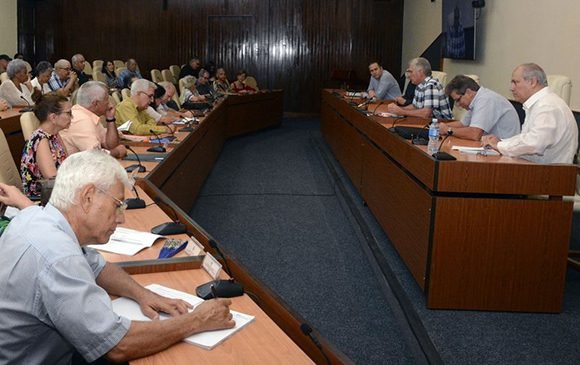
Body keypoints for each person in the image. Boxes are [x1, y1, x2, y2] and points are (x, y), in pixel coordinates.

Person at [0, 150, 235, 364]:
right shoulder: (58, 256)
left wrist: (142, 294)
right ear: (88, 196)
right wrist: (197, 321)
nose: (121, 218)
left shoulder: (37, 218)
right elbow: (117, 344)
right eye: (117, 205)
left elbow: (97, 267)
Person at [481, 63, 578, 164]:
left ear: (532, 82)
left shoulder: (547, 106)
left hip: (548, 175)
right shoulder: (539, 104)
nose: (512, 88)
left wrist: (499, 145)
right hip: (537, 171)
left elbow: (535, 143)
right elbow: (527, 138)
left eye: (516, 82)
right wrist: (501, 142)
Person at [439, 75, 520, 141]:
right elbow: (463, 124)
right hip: (494, 147)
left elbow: (475, 134)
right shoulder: (476, 100)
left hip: (505, 152)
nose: (458, 104)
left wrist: (447, 130)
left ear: (468, 92)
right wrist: (437, 127)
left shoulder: (486, 99)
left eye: (458, 100)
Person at [60, 81, 127, 158]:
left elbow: (110, 145)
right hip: (72, 168)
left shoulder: (88, 115)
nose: (109, 103)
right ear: (95, 104)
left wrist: (110, 119)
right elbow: (94, 155)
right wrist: (117, 152)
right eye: (107, 99)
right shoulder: (81, 120)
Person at [20, 94, 70, 197]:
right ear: (53, 117)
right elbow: (52, 180)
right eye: (69, 113)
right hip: (42, 199)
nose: (72, 117)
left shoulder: (54, 134)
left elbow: (67, 164)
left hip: (59, 193)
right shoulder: (40, 140)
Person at [386, 57, 453, 119]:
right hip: (426, 122)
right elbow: (414, 106)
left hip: (441, 124)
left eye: (410, 72)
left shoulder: (431, 86)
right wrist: (398, 109)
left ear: (420, 72)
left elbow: (426, 114)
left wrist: (402, 112)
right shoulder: (420, 85)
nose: (408, 75)